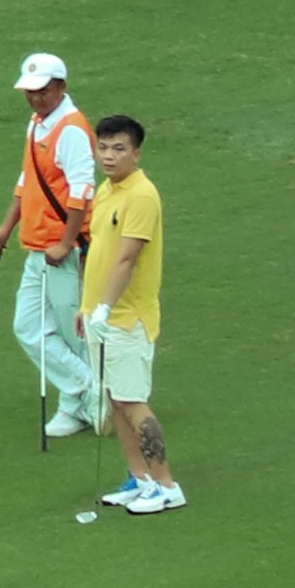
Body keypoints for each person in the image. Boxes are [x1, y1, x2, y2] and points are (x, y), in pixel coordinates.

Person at [0, 51, 108, 439]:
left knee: (73, 332)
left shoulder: (70, 129)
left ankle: (79, 405)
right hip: (38, 245)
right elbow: (29, 180)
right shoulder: (38, 123)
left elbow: (82, 190)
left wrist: (66, 243)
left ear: (61, 86)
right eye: (30, 91)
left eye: (42, 90)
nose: (35, 98)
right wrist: (7, 225)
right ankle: (88, 389)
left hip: (65, 250)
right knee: (28, 327)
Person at [76, 115, 182, 512]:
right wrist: (87, 308)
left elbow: (127, 258)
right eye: (103, 147)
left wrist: (104, 308)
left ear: (136, 154)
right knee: (115, 400)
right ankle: (140, 478)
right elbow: (99, 251)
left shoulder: (141, 196)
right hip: (101, 316)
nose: (108, 156)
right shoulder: (106, 190)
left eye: (118, 148)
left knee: (133, 401)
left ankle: (166, 485)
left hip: (127, 318)